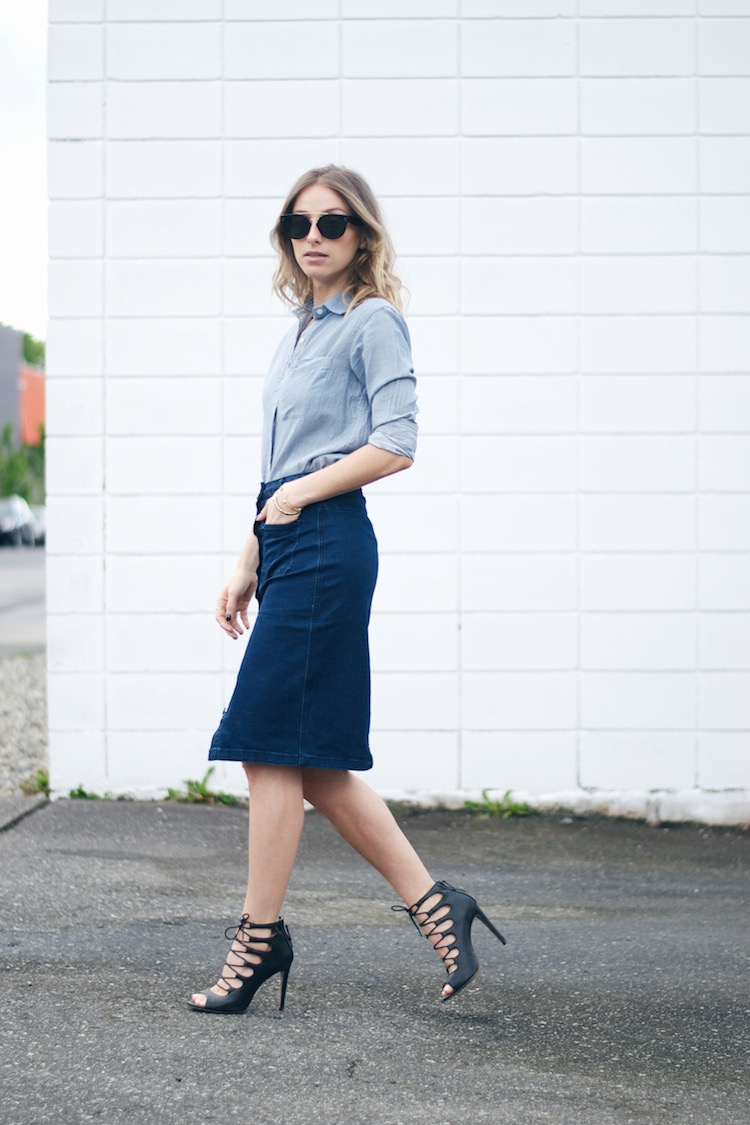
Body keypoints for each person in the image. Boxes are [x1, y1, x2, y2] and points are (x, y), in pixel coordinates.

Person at [188, 165, 505, 1014]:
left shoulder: (373, 322)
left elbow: (396, 443)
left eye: (333, 221)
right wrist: (247, 557)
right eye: (299, 222)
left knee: (263, 745)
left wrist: (298, 495)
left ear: (362, 233)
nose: (315, 235)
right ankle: (442, 910)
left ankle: (257, 940)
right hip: (288, 544)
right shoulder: (298, 332)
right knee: (317, 766)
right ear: (287, 236)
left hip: (328, 544)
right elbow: (274, 470)